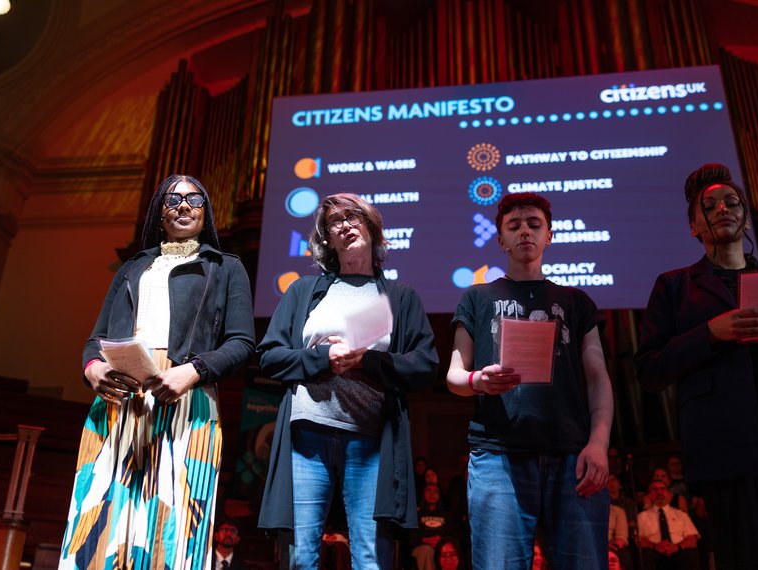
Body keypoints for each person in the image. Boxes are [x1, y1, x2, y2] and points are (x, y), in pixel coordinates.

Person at [59, 174, 255, 569]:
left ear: (205, 211)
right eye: (172, 200)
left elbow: (242, 344)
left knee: (175, 516)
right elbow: (95, 337)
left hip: (187, 395)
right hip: (121, 395)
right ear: (159, 213)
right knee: (103, 514)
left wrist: (193, 371)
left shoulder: (226, 267)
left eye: (193, 199)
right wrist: (92, 367)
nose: (183, 205)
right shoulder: (133, 268)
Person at [635, 163, 758, 569]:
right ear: (693, 227)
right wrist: (710, 333)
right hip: (727, 447)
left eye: (732, 202)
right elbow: (650, 371)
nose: (723, 209)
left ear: (744, 217)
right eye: (710, 205)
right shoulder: (674, 286)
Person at [257, 193, 438, 569]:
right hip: (307, 436)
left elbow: (424, 366)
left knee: (371, 558)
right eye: (334, 222)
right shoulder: (303, 291)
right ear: (327, 239)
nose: (344, 225)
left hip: (371, 441)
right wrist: (325, 358)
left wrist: (367, 360)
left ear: (373, 229)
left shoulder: (399, 298)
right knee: (300, 556)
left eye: (353, 216)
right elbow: (270, 357)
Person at [446, 192, 614, 569]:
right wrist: (478, 380)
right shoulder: (477, 297)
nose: (525, 232)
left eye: (534, 225)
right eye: (514, 226)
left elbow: (597, 378)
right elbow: (454, 375)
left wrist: (599, 444)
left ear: (550, 236)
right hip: (497, 455)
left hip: (573, 454)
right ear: (501, 239)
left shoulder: (576, 301)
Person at [636, 481, 700, 570]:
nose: (659, 492)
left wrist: (677, 547)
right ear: (650, 494)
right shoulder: (642, 516)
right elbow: (638, 539)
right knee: (646, 553)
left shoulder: (681, 515)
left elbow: (692, 539)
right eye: (655, 490)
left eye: (662, 489)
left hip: (679, 550)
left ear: (668, 493)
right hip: (653, 551)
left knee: (689, 553)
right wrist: (655, 546)